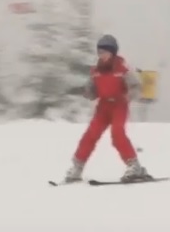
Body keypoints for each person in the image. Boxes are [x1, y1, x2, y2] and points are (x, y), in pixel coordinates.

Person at [63, 34, 151, 183]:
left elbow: (136, 86)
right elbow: (92, 91)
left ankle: (134, 166)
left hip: (119, 105)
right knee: (90, 135)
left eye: (104, 52)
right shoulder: (96, 70)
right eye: (99, 52)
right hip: (103, 107)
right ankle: (77, 167)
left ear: (112, 52)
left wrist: (128, 96)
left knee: (117, 134)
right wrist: (85, 91)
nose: (101, 55)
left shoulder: (122, 69)